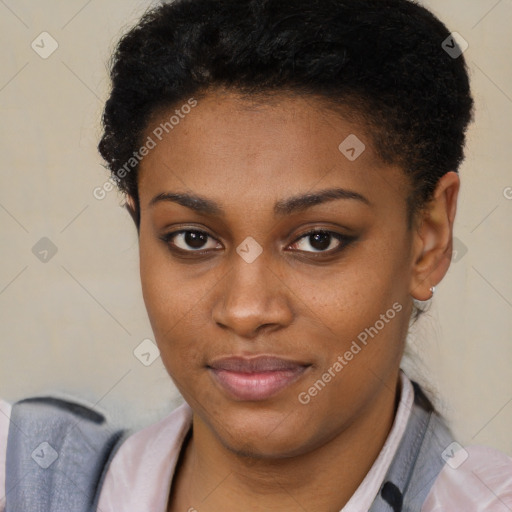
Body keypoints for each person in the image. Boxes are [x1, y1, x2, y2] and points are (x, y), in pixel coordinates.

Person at [1, 0, 511, 510]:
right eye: (193, 239)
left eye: (318, 240)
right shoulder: (24, 481)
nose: (246, 310)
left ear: (428, 238)